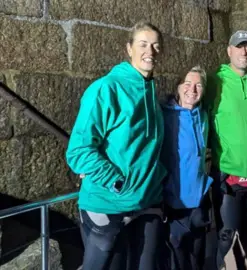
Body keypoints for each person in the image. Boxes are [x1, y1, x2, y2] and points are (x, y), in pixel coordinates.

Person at [65, 21, 168, 269]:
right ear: (129, 48)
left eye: (155, 45)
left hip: (146, 202)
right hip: (108, 204)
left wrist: (157, 179)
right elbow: (78, 151)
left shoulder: (149, 90)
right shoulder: (106, 88)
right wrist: (118, 182)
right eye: (143, 44)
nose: (150, 51)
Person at [204, 30, 247, 267]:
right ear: (229, 51)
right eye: (239, 47)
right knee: (226, 238)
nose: (245, 52)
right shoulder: (215, 82)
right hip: (229, 175)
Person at [160, 66, 212, 270]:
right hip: (174, 202)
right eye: (188, 84)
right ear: (178, 86)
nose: (193, 89)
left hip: (198, 200)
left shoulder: (203, 116)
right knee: (177, 260)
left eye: (198, 85)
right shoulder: (164, 116)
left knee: (197, 258)